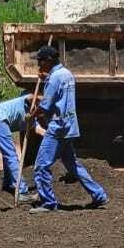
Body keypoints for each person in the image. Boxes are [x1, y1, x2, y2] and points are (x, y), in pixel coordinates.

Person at [29, 44, 108, 213]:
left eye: (41, 61)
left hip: (58, 128)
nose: (39, 65)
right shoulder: (67, 74)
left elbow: (46, 105)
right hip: (69, 127)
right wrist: (45, 80)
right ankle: (99, 195)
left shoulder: (54, 78)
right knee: (73, 166)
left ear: (49, 60)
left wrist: (32, 116)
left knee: (41, 166)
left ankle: (48, 203)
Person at [0, 92, 33, 197]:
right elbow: (32, 97)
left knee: (7, 153)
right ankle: (22, 191)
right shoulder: (27, 99)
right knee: (11, 155)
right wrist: (48, 99)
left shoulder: (32, 118)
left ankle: (8, 183)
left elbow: (38, 129)